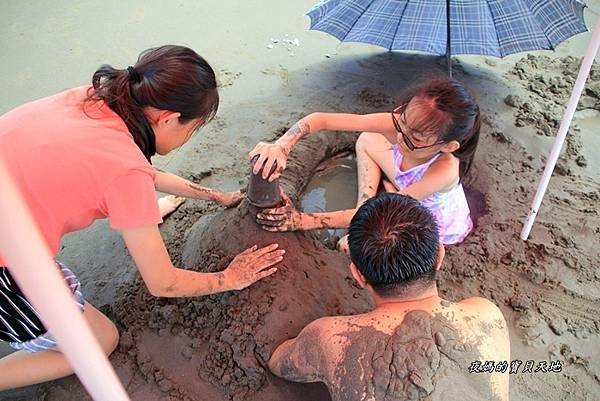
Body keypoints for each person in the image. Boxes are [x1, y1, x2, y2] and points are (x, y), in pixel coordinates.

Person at [0, 45, 284, 390]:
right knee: (101, 341)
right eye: (192, 128)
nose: (187, 138)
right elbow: (162, 282)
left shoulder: (93, 99)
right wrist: (229, 278)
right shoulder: (125, 173)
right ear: (167, 118)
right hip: (6, 263)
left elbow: (131, 170)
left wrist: (211, 196)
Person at [268, 193, 509, 401]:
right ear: (439, 256)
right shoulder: (486, 315)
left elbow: (279, 363)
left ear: (358, 275)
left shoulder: (331, 338)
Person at [250, 76, 480, 248]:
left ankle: (385, 199)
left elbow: (383, 212)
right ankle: (369, 199)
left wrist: (303, 220)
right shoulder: (400, 129)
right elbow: (321, 119)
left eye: (415, 138)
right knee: (369, 139)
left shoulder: (445, 170)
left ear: (449, 146)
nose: (400, 136)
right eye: (403, 123)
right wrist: (282, 144)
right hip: (407, 188)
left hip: (426, 221)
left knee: (347, 246)